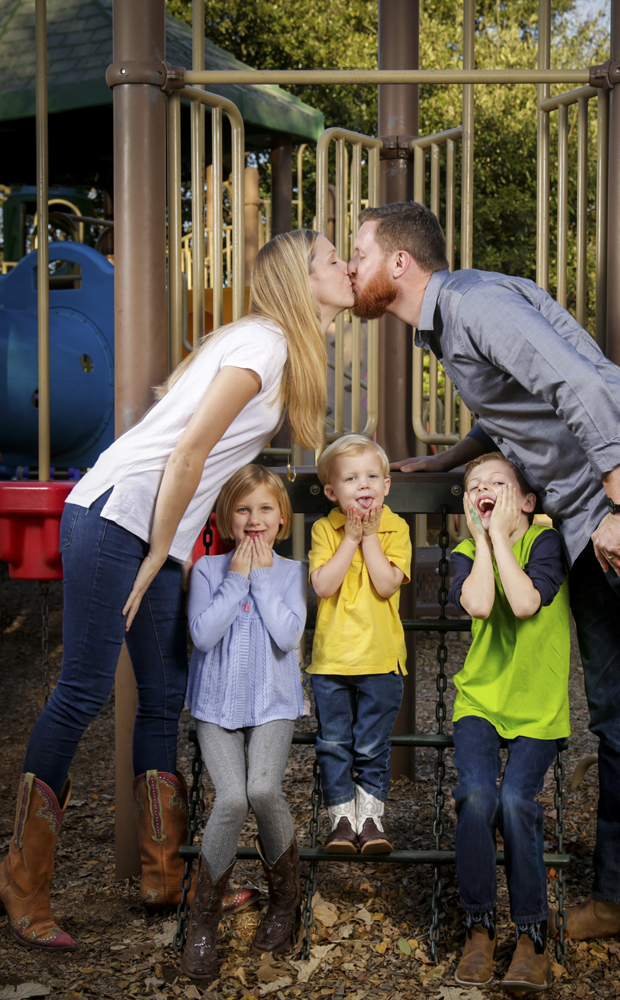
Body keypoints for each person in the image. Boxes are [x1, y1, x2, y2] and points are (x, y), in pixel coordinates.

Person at [347, 201, 620, 951]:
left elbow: (579, 390)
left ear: (398, 264)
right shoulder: (456, 319)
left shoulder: (475, 305)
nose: (352, 268)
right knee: (615, 709)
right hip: (591, 512)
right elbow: (518, 407)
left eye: (357, 252)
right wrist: (450, 460)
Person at [0, 230, 355, 952]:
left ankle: (167, 879)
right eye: (330, 259)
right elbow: (189, 449)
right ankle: (21, 882)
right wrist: (167, 547)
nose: (344, 266)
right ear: (299, 279)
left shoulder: (273, 347)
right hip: (119, 517)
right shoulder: (265, 346)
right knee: (84, 689)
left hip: (151, 523)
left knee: (166, 695)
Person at [448, 453, 569, 992]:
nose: (484, 489)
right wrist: (481, 540)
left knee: (518, 802)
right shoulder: (463, 553)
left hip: (538, 707)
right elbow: (478, 603)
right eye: (475, 486)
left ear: (526, 501)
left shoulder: (544, 544)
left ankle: (530, 937)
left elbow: (523, 603)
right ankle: (479, 927)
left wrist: (500, 538)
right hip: (480, 701)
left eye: (498, 483)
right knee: (477, 798)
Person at [181, 466, 305, 980]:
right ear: (226, 518)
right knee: (231, 798)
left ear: (282, 520)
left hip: (273, 704)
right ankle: (202, 923)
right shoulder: (209, 570)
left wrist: (259, 578)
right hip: (216, 707)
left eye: (265, 509)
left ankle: (284, 903)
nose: (255, 519)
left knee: (263, 791)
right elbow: (202, 636)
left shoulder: (293, 572)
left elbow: (287, 634)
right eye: (243, 509)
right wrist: (236, 580)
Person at [307, 434, 412, 854]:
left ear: (387, 485)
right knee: (334, 743)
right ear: (333, 492)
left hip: (381, 658)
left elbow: (387, 585)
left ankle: (371, 820)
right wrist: (349, 537)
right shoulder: (325, 529)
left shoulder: (395, 528)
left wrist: (369, 535)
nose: (364, 484)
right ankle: (341, 821)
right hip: (332, 660)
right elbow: (323, 585)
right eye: (351, 478)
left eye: (372, 476)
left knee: (371, 744)